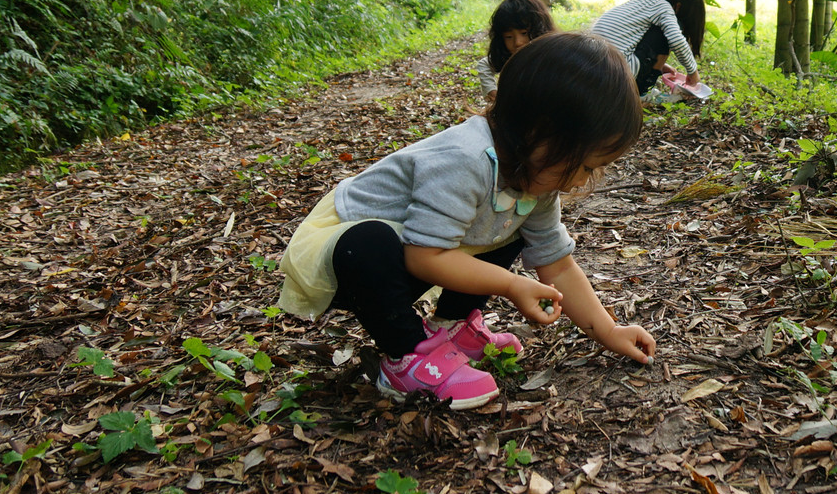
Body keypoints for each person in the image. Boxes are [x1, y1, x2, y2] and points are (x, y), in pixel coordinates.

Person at [277, 31, 657, 410]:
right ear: (539, 134)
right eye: (586, 166)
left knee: (509, 228)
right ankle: (407, 356)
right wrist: (511, 284)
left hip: (414, 252)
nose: (584, 180)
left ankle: (451, 327)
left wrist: (608, 330)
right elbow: (424, 256)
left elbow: (557, 264)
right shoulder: (466, 160)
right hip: (347, 261)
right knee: (368, 242)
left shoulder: (535, 178)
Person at [591, 0, 705, 97]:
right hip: (617, 74)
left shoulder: (642, 2)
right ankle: (640, 94)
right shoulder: (663, 7)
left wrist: (661, 66)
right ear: (678, 6)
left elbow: (623, 40)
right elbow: (677, 40)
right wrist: (693, 72)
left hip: (592, 69)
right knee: (666, 31)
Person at [475, 0, 555, 99]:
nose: (517, 42)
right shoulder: (509, 56)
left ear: (540, 30)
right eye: (508, 37)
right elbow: (485, 64)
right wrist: (493, 93)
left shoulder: (554, 57)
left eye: (524, 33)